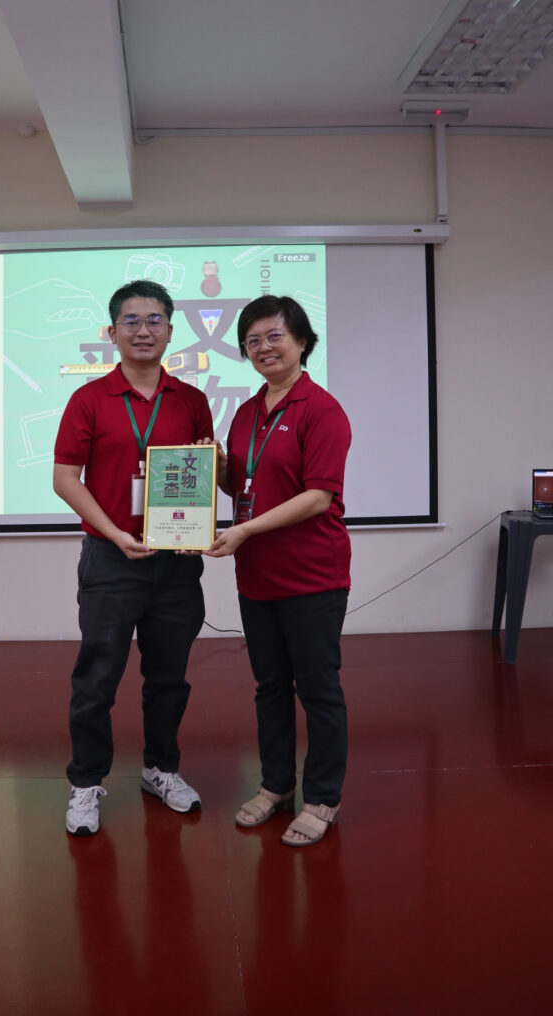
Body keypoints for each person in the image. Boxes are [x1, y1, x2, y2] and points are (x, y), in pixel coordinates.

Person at [53, 279, 213, 836]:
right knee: (96, 679)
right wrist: (116, 534)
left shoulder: (191, 400)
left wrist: (201, 513)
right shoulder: (88, 399)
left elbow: (200, 472)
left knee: (169, 678)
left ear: (170, 331)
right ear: (112, 331)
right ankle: (85, 782)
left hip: (175, 563)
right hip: (110, 560)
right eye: (131, 320)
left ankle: (160, 769)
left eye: (154, 320)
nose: (143, 330)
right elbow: (65, 478)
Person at [206, 295, 351, 847]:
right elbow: (241, 486)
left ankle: (322, 797)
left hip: (312, 574)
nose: (263, 347)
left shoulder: (322, 410)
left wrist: (245, 530)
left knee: (317, 688)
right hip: (257, 575)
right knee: (269, 686)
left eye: (274, 336)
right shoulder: (247, 413)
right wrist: (215, 467)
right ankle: (276, 785)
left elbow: (318, 496)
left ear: (302, 342)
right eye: (252, 340)